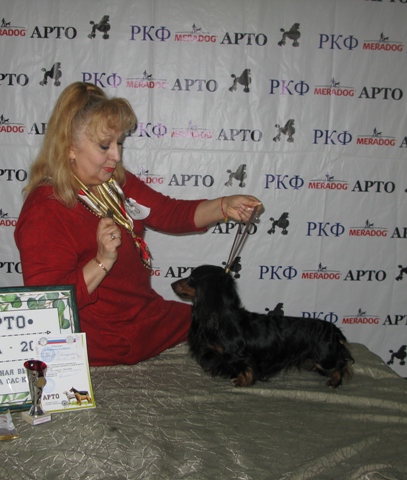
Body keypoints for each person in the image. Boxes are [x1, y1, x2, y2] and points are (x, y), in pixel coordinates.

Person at [14, 82, 262, 366]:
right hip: (106, 338)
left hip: (145, 318)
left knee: (230, 325)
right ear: (70, 148)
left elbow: (168, 212)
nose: (116, 156)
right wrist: (102, 260)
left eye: (119, 143)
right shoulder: (45, 209)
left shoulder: (114, 181)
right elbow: (49, 304)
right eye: (105, 146)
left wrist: (224, 206)